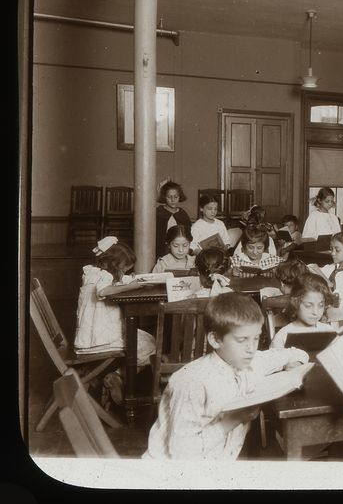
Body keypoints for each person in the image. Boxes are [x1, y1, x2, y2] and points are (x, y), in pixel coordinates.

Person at [144, 292, 310, 460]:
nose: (251, 348)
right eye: (242, 340)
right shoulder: (193, 382)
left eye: (256, 338)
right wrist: (233, 420)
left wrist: (295, 364)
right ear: (215, 340)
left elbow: (294, 353)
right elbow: (182, 453)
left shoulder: (251, 361)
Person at [74, 237, 156, 407]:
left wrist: (126, 280)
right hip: (99, 340)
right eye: (123, 270)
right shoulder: (102, 278)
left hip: (91, 336)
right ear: (114, 265)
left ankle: (115, 377)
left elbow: (110, 283)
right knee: (150, 347)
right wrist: (131, 286)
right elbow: (104, 290)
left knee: (147, 340)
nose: (124, 273)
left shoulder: (93, 273)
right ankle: (117, 375)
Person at [270, 273, 339, 349]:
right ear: (295, 303)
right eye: (308, 306)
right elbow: (274, 360)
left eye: (320, 305)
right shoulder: (282, 336)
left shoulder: (328, 331)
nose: (315, 312)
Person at [155, 180, 192, 260]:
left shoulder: (183, 214)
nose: (173, 200)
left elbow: (188, 236)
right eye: (169, 197)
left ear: (180, 197)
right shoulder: (158, 213)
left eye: (176, 197)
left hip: (180, 249)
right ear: (164, 197)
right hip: (162, 251)